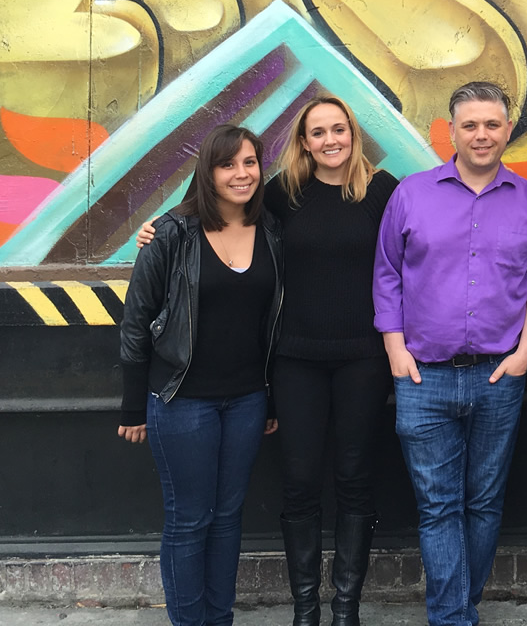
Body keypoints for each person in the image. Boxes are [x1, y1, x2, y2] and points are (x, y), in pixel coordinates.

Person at [138, 95, 399, 626]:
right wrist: (161, 226)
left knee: (355, 479)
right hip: (295, 361)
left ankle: (345, 609)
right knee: (300, 482)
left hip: (364, 360)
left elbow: (414, 252)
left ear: (354, 134)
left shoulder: (383, 191)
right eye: (318, 132)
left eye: (339, 129)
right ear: (304, 141)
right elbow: (217, 207)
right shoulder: (283, 193)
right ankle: (306, 610)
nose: (330, 140)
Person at [374, 82, 527, 626]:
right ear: (451, 131)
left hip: (500, 375)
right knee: (438, 507)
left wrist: (525, 353)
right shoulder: (411, 193)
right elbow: (387, 273)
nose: (481, 135)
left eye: (492, 124)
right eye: (470, 125)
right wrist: (396, 350)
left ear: (507, 130)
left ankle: (457, 610)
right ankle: (453, 618)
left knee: (485, 504)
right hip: (422, 377)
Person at [118, 124, 284, 626]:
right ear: (207, 172)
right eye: (227, 164)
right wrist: (133, 405)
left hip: (247, 399)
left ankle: (220, 618)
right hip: (182, 400)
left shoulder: (272, 230)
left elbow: (272, 323)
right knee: (190, 519)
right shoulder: (171, 232)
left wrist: (271, 399)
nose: (241, 174)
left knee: (228, 517)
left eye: (250, 162)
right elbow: (136, 322)